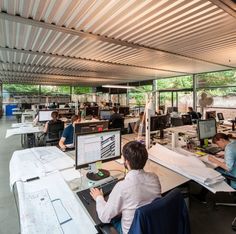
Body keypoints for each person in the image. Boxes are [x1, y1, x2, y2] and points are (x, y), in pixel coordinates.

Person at [90, 141, 161, 234]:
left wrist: (99, 198)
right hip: (152, 227)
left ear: (126, 162)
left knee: (110, 219)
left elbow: (104, 216)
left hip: (132, 231)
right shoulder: (154, 177)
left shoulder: (122, 187)